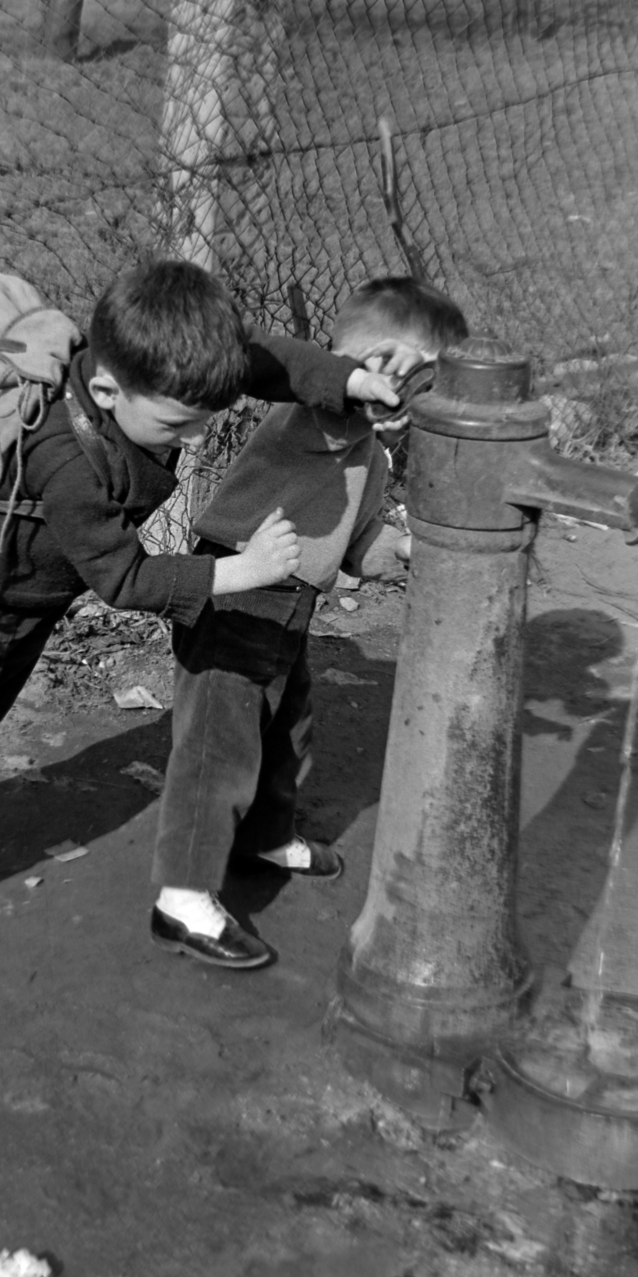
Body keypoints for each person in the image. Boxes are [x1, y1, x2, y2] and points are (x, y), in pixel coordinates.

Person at [0, 259, 413, 984]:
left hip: (29, 594)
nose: (195, 441)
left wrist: (351, 380)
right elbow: (124, 578)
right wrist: (243, 570)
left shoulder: (157, 375)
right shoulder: (66, 457)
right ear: (105, 389)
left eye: (208, 417)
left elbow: (267, 360)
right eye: (177, 424)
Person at [150, 276, 469, 969]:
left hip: (286, 608)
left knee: (286, 731)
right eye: (417, 382)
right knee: (218, 750)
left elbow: (360, 542)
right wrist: (360, 383)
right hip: (235, 589)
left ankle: (263, 833)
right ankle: (182, 896)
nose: (417, 403)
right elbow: (331, 395)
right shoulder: (313, 415)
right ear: (364, 369)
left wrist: (407, 547)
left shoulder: (369, 452)